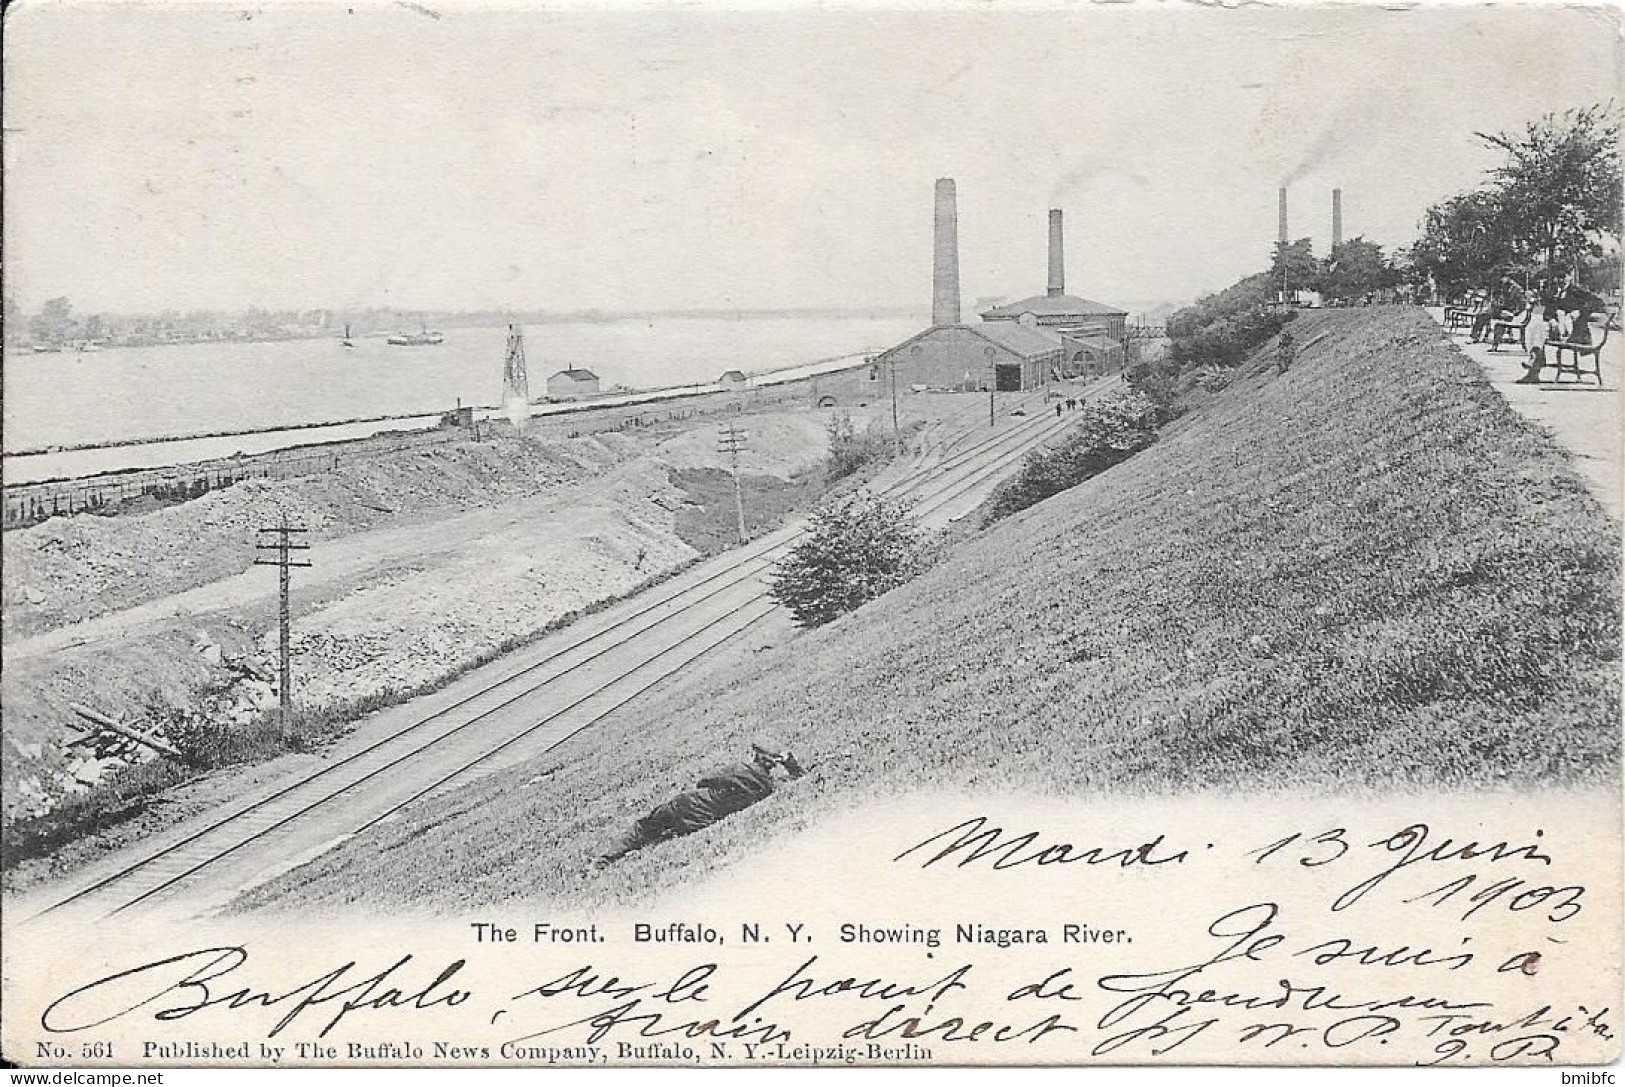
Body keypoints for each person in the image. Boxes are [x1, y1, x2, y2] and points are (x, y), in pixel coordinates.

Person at [597, 744, 807, 864]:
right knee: (662, 836)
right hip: (701, 819)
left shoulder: (737, 768)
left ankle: (607, 858)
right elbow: (797, 776)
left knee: (644, 827)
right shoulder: (767, 787)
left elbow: (704, 781)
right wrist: (790, 762)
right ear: (773, 764)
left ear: (755, 756)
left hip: (685, 802)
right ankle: (635, 851)